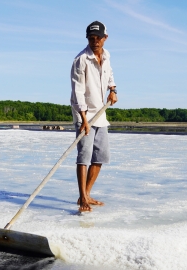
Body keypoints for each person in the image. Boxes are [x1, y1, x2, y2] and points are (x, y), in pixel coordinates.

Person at [70, 21, 118, 212]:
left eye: (98, 38)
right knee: (84, 157)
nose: (95, 41)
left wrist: (113, 89)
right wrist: (83, 118)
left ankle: (87, 194)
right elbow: (77, 91)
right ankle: (82, 198)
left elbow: (110, 74)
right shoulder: (80, 60)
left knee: (100, 157)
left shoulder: (106, 56)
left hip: (101, 113)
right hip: (85, 115)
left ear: (105, 38)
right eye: (91, 38)